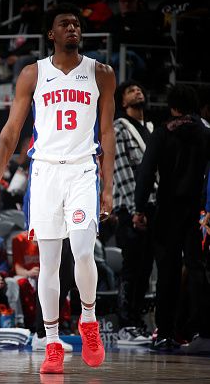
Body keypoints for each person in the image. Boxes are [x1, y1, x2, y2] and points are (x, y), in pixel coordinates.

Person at [0, 3, 116, 374]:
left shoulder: (101, 73)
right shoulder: (33, 73)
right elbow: (11, 132)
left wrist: (107, 188)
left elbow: (106, 133)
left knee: (84, 251)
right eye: (64, 24)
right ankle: (53, 342)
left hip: (82, 171)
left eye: (76, 24)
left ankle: (88, 321)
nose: (72, 28)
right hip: (43, 173)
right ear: (51, 34)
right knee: (50, 265)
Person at [134, 85, 210, 351]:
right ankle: (203, 331)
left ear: (172, 106)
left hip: (167, 210)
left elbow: (146, 172)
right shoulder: (206, 132)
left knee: (167, 272)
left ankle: (166, 333)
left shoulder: (163, 132)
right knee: (198, 268)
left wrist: (139, 207)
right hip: (199, 212)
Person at [112, 80, 155, 344]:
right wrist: (134, 208)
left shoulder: (151, 129)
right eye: (131, 91)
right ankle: (125, 324)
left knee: (145, 267)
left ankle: (138, 321)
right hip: (130, 209)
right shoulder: (120, 127)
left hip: (151, 206)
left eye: (140, 89)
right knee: (131, 267)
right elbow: (122, 170)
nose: (138, 91)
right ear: (123, 102)